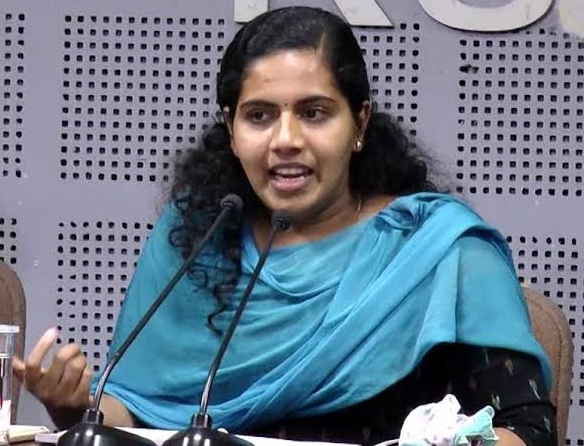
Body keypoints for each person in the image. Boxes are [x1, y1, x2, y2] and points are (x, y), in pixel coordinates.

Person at [13, 6, 556, 446]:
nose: (286, 140)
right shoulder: (198, 237)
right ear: (231, 129)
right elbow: (139, 416)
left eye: (314, 113)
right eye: (260, 115)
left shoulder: (440, 251)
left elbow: (528, 430)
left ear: (359, 122)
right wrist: (74, 406)